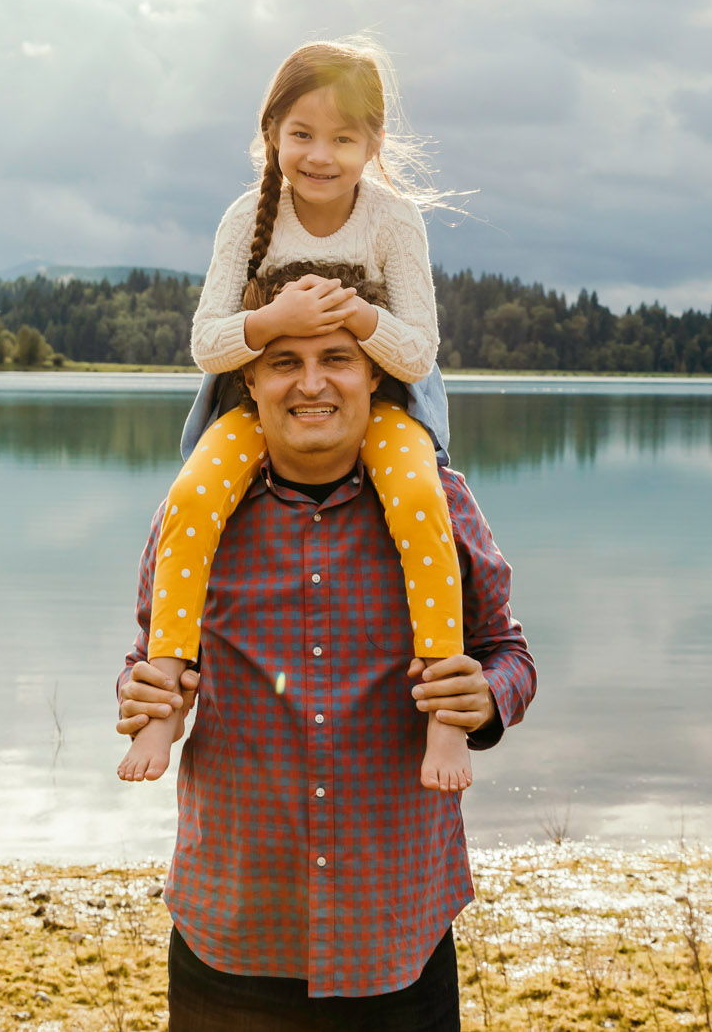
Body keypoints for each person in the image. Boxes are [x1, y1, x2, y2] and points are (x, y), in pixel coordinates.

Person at [115, 266, 536, 1028]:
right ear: (250, 377)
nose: (312, 383)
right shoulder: (195, 514)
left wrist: (486, 700)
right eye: (284, 359)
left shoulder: (440, 504)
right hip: (232, 932)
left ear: (374, 370)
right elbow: (149, 652)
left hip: (396, 935)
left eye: (336, 358)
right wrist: (141, 693)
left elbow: (508, 651)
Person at [118, 38, 471, 791]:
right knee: (190, 496)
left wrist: (362, 319)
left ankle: (444, 701)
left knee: (418, 496)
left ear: (374, 142)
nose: (321, 155)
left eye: (344, 138)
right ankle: (166, 683)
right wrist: (274, 318)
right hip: (260, 405)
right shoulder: (246, 218)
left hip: (380, 406)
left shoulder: (392, 218)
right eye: (303, 134)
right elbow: (206, 343)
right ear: (271, 132)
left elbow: (420, 350)